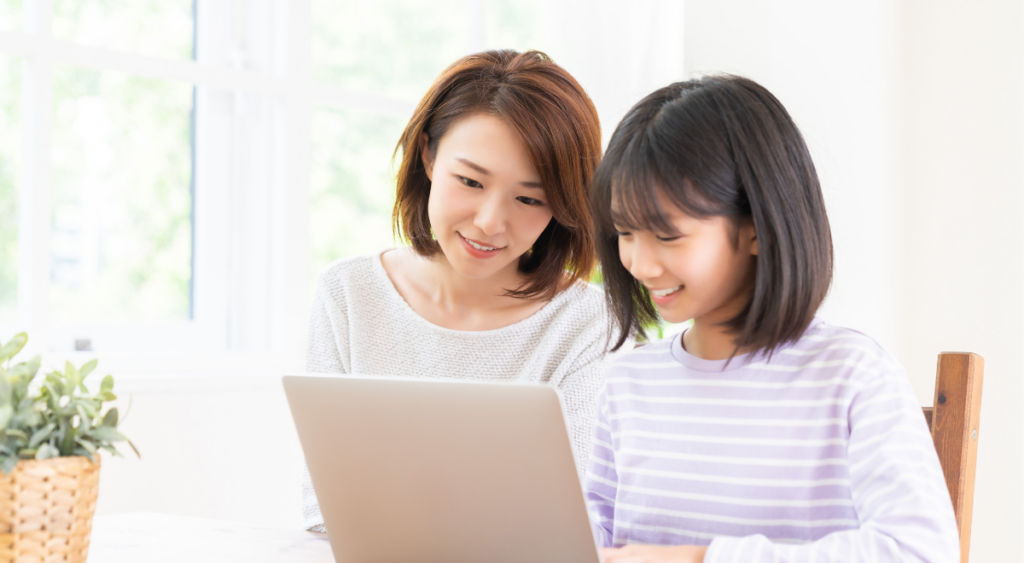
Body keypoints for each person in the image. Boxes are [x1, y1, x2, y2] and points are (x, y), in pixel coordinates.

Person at [585, 75, 958, 562]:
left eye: (667, 235)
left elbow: (920, 551)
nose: (639, 264)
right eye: (625, 232)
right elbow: (590, 538)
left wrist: (702, 559)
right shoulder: (629, 383)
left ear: (757, 228)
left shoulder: (851, 375)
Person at [302, 49, 624, 532]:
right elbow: (324, 511)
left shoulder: (588, 323)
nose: (490, 222)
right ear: (428, 156)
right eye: (471, 181)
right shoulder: (348, 294)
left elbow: (574, 522)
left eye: (529, 198)